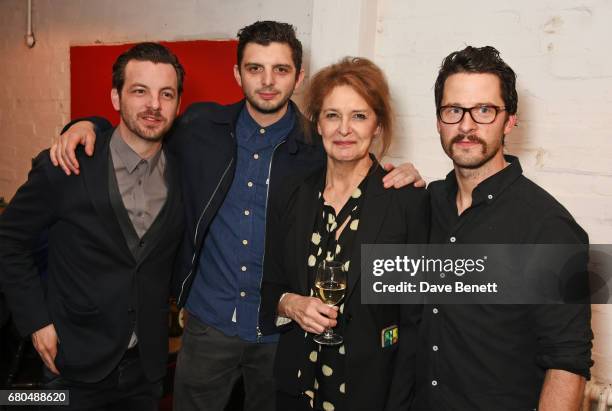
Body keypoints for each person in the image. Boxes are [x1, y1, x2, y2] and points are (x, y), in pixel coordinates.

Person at [50, 21, 423, 411]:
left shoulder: (315, 146)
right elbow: (143, 127)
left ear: (298, 77)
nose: (267, 81)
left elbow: (354, 160)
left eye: (280, 69)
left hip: (280, 336)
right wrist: (85, 126)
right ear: (237, 74)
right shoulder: (199, 127)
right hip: (209, 324)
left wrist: (396, 176)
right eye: (254, 68)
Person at [0, 42, 185, 410]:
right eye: (139, 91)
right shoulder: (67, 166)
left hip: (145, 370)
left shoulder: (185, 171)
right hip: (71, 361)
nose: (154, 105)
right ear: (115, 97)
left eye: (166, 94)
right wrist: (36, 321)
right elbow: (9, 241)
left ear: (178, 104)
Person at [412, 46, 593, 411]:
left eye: (484, 110)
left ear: (509, 120)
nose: (466, 126)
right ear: (438, 120)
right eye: (453, 111)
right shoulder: (425, 205)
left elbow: (567, 362)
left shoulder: (548, 227)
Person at [259, 57, 429, 411]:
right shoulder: (292, 193)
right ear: (318, 123)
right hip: (297, 387)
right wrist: (290, 303)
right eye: (332, 115)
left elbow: (415, 319)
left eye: (359, 116)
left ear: (378, 124)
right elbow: (269, 284)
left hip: (370, 392)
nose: (344, 129)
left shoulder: (406, 202)